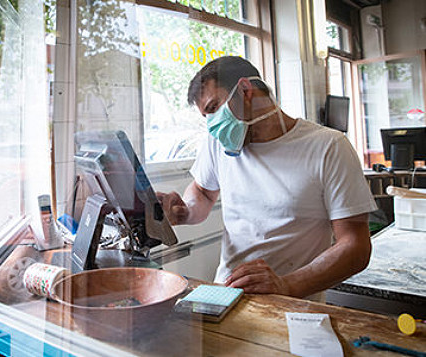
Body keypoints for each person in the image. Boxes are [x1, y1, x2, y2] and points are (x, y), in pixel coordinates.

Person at [156, 56, 377, 300]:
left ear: (245, 90)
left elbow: (356, 246)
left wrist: (285, 285)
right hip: (226, 295)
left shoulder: (329, 147)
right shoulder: (217, 143)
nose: (211, 125)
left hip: (293, 303)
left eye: (213, 108)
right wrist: (185, 211)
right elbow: (203, 192)